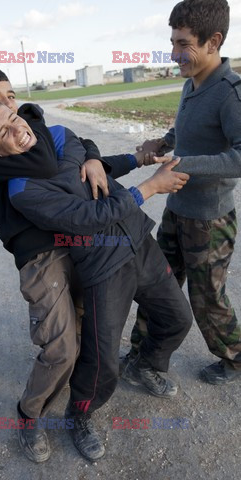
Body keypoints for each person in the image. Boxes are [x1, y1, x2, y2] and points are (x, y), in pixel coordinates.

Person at [0, 68, 179, 463]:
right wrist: (88, 155)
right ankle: (29, 416)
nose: (11, 107)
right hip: (41, 255)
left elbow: (72, 146)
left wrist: (96, 155)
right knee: (62, 346)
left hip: (77, 243)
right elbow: (55, 161)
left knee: (89, 329)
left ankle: (85, 389)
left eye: (12, 98)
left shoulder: (19, 128)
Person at [121, 0, 241, 386]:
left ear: (213, 41)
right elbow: (185, 130)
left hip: (209, 222)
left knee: (208, 302)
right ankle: (141, 355)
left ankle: (236, 357)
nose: (174, 54)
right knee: (158, 288)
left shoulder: (229, 93)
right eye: (172, 42)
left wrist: (184, 165)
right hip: (177, 211)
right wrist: (164, 142)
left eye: (182, 44)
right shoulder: (193, 82)